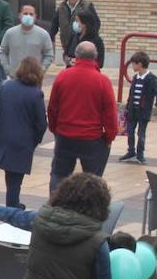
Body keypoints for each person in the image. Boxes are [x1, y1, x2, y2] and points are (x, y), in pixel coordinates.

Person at [46, 42, 119, 193]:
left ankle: (54, 206)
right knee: (93, 180)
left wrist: (55, 129)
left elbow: (53, 107)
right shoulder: (102, 81)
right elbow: (110, 113)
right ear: (95, 57)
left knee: (59, 174)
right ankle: (88, 212)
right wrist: (109, 136)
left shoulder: (63, 77)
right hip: (92, 138)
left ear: (76, 56)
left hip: (65, 135)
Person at [0, 57, 47, 209]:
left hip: (3, 137)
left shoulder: (6, 86)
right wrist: (35, 141)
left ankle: (13, 204)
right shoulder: (35, 94)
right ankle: (12, 208)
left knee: (11, 178)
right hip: (21, 142)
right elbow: (41, 123)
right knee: (15, 181)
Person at [118, 52, 157, 164]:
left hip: (144, 111)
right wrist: (128, 107)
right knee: (130, 131)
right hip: (133, 110)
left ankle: (140, 154)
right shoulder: (135, 78)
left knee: (141, 133)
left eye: (133, 64)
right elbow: (131, 94)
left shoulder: (152, 79)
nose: (132, 66)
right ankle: (131, 151)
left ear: (140, 64)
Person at [48, 0, 100, 64]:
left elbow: (96, 23)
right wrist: (50, 39)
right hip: (67, 44)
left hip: (83, 44)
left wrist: (90, 38)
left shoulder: (87, 6)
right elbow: (54, 25)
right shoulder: (62, 7)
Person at [0, 5, 55, 72]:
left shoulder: (43, 34)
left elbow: (49, 54)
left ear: (35, 17)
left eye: (31, 14)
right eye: (25, 14)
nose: (28, 16)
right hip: (15, 76)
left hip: (35, 78)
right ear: (19, 15)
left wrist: (41, 70)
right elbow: (2, 52)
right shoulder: (10, 33)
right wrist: (7, 69)